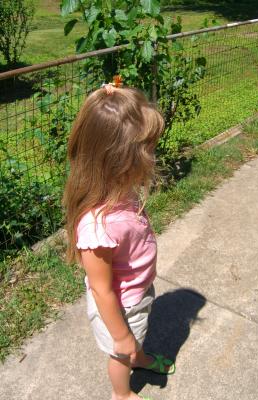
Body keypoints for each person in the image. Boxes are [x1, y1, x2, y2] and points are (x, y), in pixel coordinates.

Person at [62, 81, 175, 400]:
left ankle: (136, 354)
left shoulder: (118, 190)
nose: (152, 158)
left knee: (134, 339)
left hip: (136, 294)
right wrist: (121, 336)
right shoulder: (97, 227)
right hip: (121, 307)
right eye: (147, 152)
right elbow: (101, 289)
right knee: (119, 354)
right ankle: (121, 393)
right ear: (118, 163)